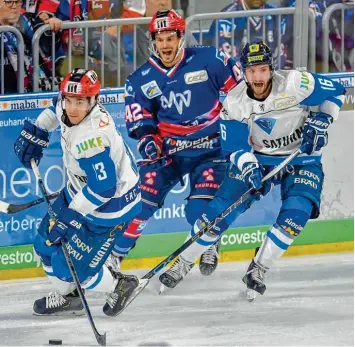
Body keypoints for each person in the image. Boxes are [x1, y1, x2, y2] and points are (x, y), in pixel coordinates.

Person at [159, 42, 346, 301]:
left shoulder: (296, 83)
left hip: (303, 159)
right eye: (251, 71)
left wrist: (323, 119)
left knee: (296, 214)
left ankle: (259, 268)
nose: (257, 77)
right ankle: (184, 261)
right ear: (244, 73)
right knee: (219, 211)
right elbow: (234, 147)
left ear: (271, 69)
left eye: (262, 70)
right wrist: (248, 167)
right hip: (259, 160)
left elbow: (336, 91)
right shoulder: (235, 102)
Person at [111, 9, 242, 277]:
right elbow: (141, 120)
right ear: (153, 41)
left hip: (211, 149)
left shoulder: (210, 59)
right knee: (140, 203)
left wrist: (234, 126)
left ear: (181, 37)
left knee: (198, 209)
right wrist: (149, 141)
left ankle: (209, 241)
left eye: (170, 38)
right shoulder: (140, 79)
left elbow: (240, 93)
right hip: (170, 152)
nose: (165, 45)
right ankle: (114, 257)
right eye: (160, 39)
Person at [13, 69, 142, 316]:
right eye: (69, 100)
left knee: (69, 268)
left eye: (80, 102)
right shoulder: (66, 104)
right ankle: (69, 297)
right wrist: (39, 129)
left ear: (94, 102)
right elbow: (54, 110)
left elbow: (104, 188)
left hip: (111, 206)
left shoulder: (92, 137)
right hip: (78, 190)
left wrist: (72, 215)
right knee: (44, 244)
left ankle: (120, 285)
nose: (72, 108)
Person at [205, 0, 286, 69]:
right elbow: (220, 56)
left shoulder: (276, 14)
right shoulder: (226, 17)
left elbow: (282, 51)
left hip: (272, 75)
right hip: (239, 79)